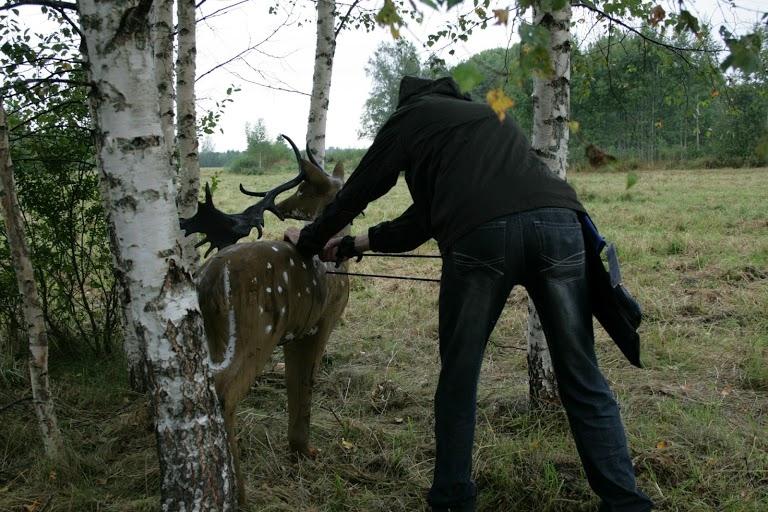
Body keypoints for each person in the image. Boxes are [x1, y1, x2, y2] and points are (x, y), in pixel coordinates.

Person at [284, 76, 652, 512]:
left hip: (481, 239)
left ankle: (453, 500)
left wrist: (309, 241)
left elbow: (357, 192)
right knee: (582, 375)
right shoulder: (487, 116)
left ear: (407, 102)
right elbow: (423, 219)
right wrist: (349, 245)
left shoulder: (410, 117)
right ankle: (626, 502)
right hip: (561, 224)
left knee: (459, 378)